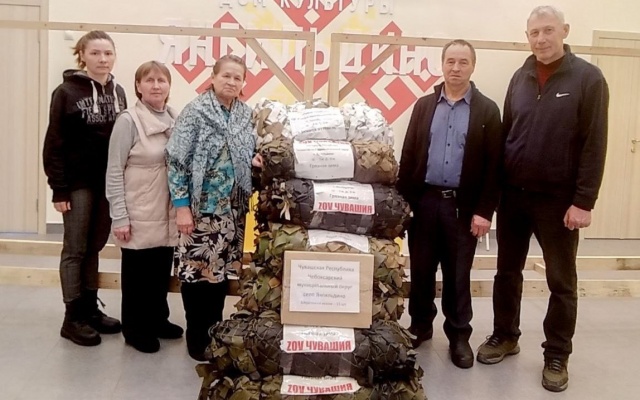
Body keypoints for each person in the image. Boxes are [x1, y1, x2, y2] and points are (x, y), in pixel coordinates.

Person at [476, 6, 609, 392]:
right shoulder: (520, 77)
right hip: (514, 197)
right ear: (527, 37)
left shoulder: (588, 78)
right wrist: (495, 195)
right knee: (506, 273)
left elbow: (595, 142)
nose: (541, 39)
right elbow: (508, 136)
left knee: (561, 281)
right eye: (534, 33)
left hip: (559, 201)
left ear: (564, 30)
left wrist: (584, 201)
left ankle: (557, 353)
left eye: (548, 30)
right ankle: (505, 335)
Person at [397, 40, 502, 369]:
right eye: (450, 61)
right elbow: (409, 154)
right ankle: (420, 325)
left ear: (473, 66)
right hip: (425, 202)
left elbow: (494, 167)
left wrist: (484, 211)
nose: (456, 68)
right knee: (422, 269)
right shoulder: (424, 106)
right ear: (442, 65)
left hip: (462, 207)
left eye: (463, 62)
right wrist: (403, 204)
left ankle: (458, 335)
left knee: (458, 275)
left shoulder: (487, 110)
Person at [166, 55, 261, 361]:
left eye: (237, 77)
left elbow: (246, 150)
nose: (231, 82)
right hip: (201, 210)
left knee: (219, 275)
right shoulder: (195, 111)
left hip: (233, 212)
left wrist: (254, 159)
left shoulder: (245, 114)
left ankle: (214, 333)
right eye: (226, 76)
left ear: (243, 83)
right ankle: (197, 338)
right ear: (213, 77)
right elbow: (176, 162)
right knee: (197, 275)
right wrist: (182, 207)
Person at [43, 30, 126, 346]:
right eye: (95, 53)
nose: (103, 59)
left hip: (107, 184)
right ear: (82, 56)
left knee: (94, 247)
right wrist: (59, 189)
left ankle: (90, 310)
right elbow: (54, 143)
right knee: (75, 249)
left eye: (108, 53)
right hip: (77, 185)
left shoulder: (118, 91)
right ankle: (72, 318)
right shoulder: (65, 92)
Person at [106, 61, 183, 353]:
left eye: (161, 80)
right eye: (149, 80)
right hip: (138, 210)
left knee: (160, 270)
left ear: (169, 86)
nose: (156, 85)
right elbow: (114, 170)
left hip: (166, 211)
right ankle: (135, 329)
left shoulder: (175, 118)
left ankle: (157, 319)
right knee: (138, 275)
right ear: (138, 86)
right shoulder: (128, 121)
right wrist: (119, 216)